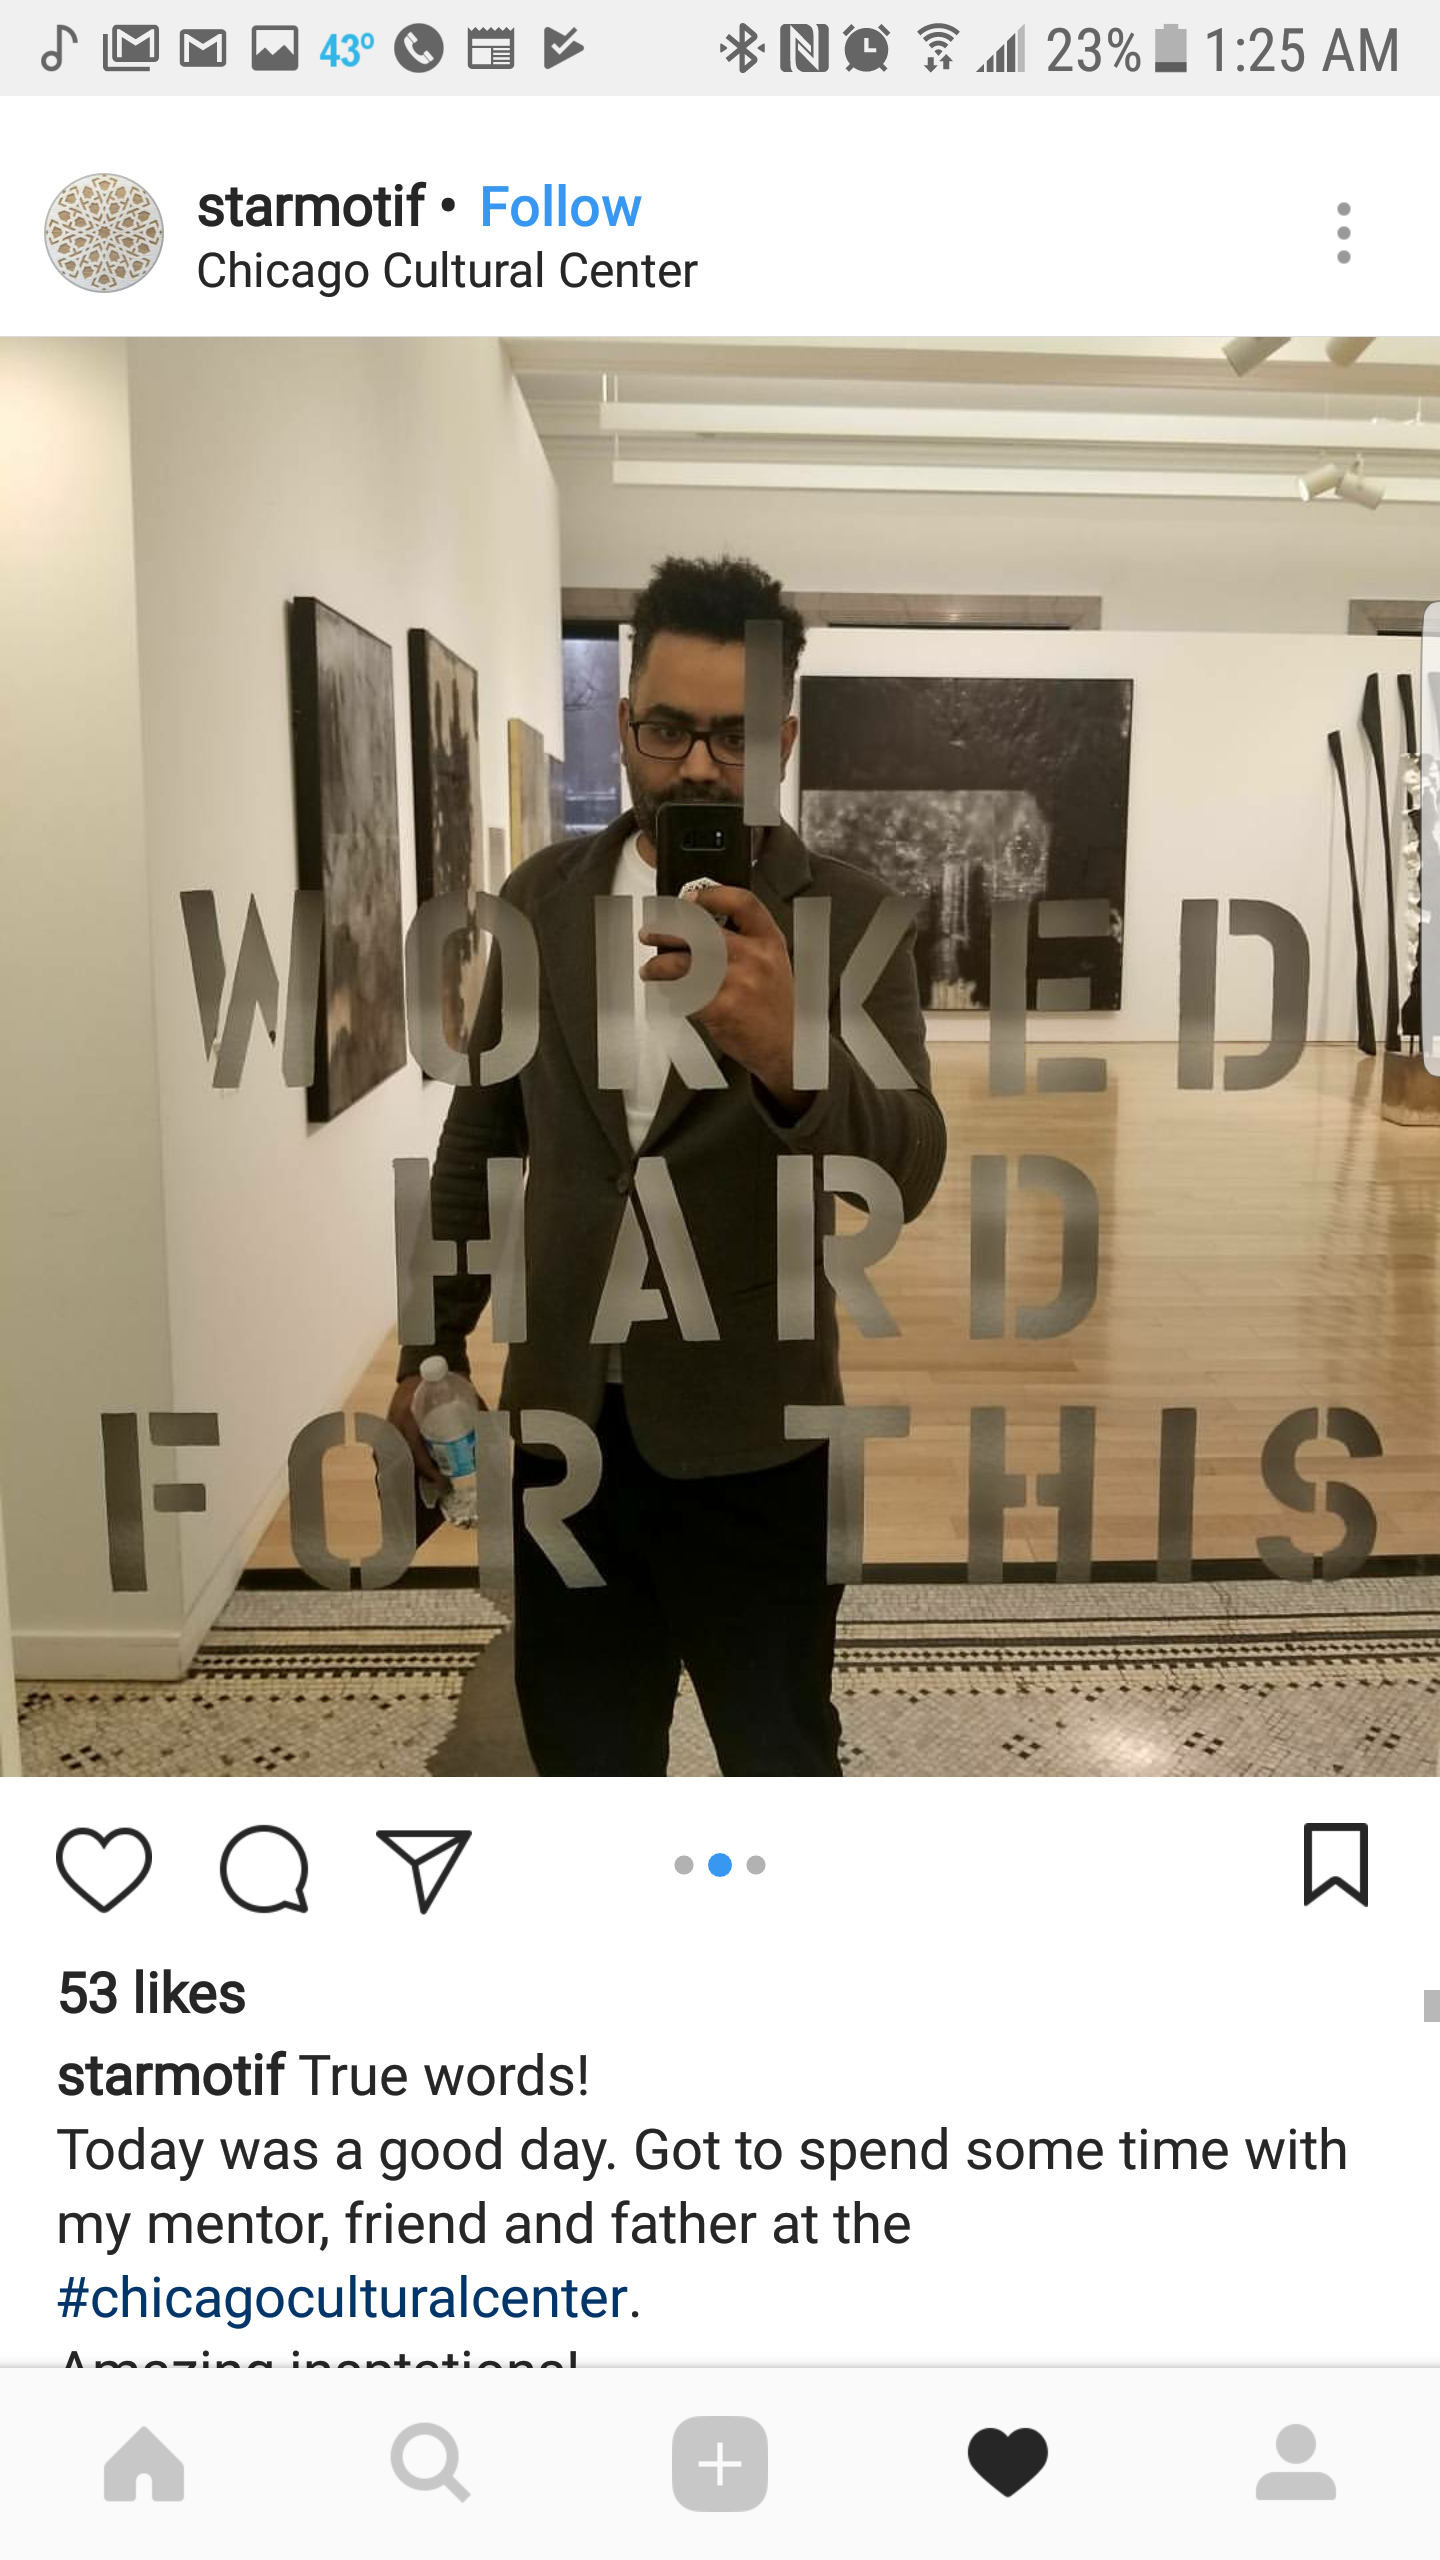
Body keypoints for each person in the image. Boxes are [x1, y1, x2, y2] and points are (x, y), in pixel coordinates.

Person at [389, 554, 946, 1776]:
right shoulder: (541, 899)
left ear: (784, 736)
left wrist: (795, 1060)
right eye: (667, 728)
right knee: (584, 1747)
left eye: (734, 735)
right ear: (627, 722)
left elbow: (908, 1165)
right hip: (562, 1423)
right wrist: (430, 1345)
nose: (697, 764)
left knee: (781, 1747)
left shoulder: (855, 917)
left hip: (758, 1428)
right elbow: (482, 1137)